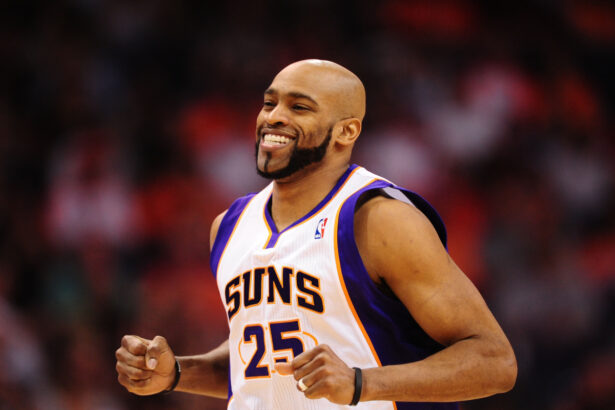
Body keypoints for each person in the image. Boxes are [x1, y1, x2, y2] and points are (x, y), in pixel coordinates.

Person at [115, 59, 517, 409]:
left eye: (299, 107)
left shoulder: (378, 219)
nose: (274, 117)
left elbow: (495, 362)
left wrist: (361, 383)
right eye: (269, 103)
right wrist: (176, 373)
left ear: (346, 132)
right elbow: (262, 365)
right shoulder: (229, 226)